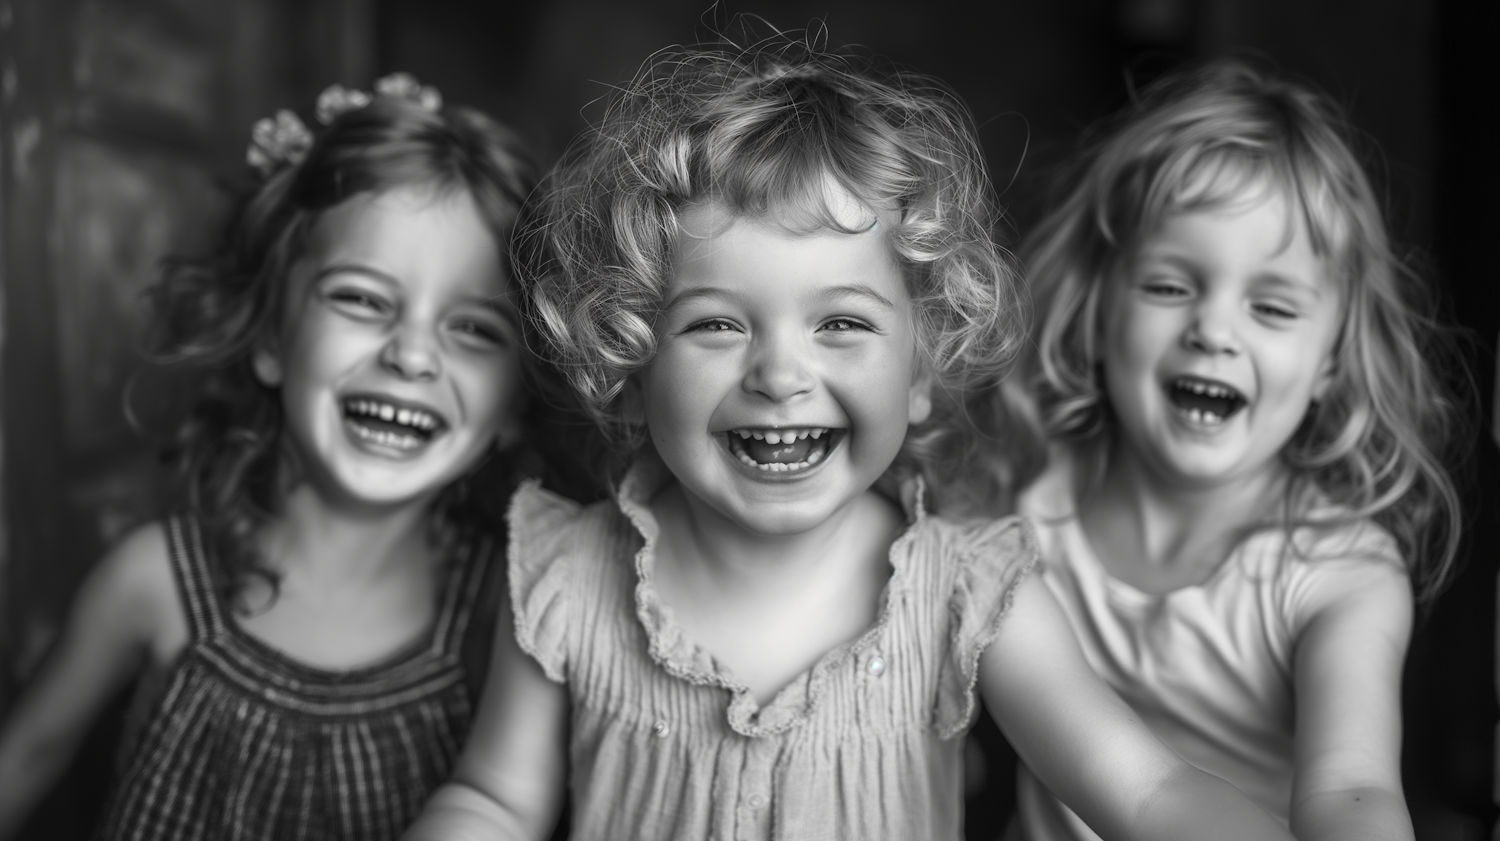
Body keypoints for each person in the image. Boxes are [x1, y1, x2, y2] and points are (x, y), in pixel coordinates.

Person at [402, 40, 1301, 841]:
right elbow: (494, 800)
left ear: (919, 372)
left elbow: (1145, 794)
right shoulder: (565, 581)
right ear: (632, 369)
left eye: (840, 324)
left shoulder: (970, 594)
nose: (781, 374)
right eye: (718, 325)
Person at [0, 74, 544, 841]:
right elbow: (22, 764)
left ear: (514, 406)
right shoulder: (150, 583)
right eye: (361, 298)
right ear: (267, 337)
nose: (414, 355)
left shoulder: (513, 618)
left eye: (477, 329)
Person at [1004, 60, 1465, 841]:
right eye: (1169, 286)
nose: (1214, 330)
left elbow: (1351, 788)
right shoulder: (1024, 499)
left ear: (1329, 361)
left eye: (1273, 306)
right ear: (1098, 311)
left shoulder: (1338, 571)